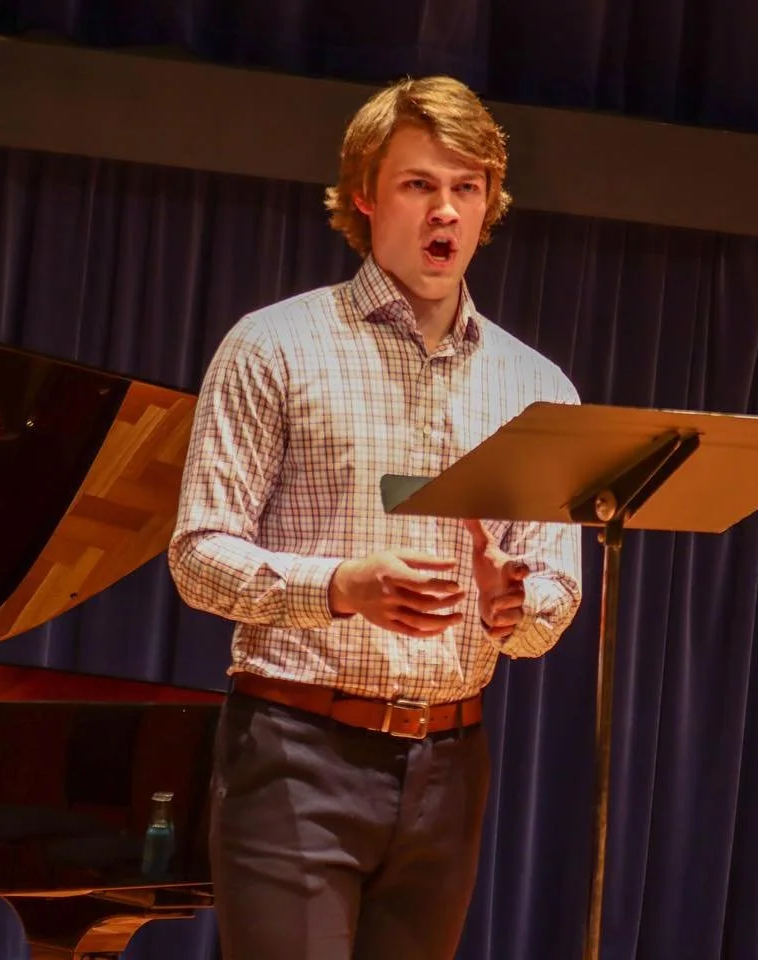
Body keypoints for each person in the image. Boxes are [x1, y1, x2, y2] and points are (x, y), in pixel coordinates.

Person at [167, 74, 583, 960]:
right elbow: (198, 557)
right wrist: (340, 588)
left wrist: (516, 604)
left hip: (451, 762)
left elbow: (552, 601)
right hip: (297, 750)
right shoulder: (275, 344)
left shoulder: (538, 388)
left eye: (467, 188)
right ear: (364, 194)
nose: (446, 212)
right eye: (419, 184)